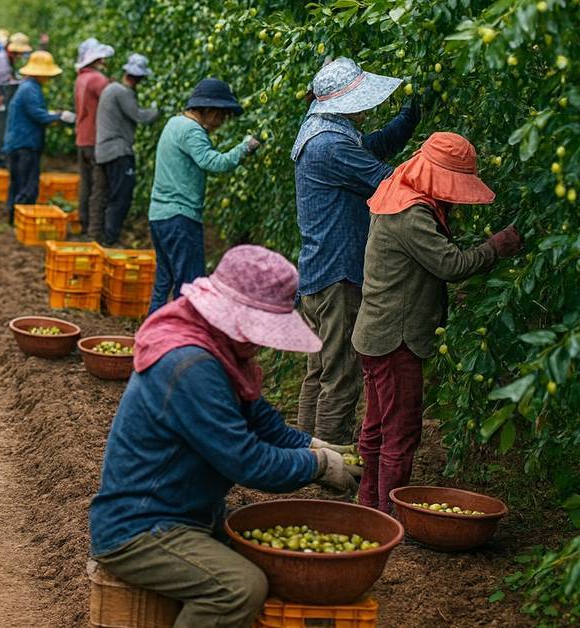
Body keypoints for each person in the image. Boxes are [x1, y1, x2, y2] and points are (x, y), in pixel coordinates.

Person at [89, 245, 359, 628]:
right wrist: (316, 466)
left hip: (188, 514)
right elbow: (247, 460)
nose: (263, 342)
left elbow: (263, 423)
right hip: (141, 528)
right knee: (239, 588)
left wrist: (312, 445)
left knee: (274, 564)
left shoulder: (219, 354)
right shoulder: (190, 365)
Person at [352, 132, 522, 513]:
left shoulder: (397, 190)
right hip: (396, 339)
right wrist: (496, 246)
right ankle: (390, 516)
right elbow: (450, 265)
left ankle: (370, 504)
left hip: (376, 331)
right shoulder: (411, 214)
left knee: (378, 426)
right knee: (400, 431)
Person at [291, 57, 421, 446]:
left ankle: (305, 451)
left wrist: (408, 117)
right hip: (338, 275)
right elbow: (385, 180)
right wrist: (432, 169)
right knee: (341, 374)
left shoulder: (320, 130)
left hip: (317, 271)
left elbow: (371, 149)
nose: (365, 108)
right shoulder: (331, 145)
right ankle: (330, 463)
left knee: (319, 370)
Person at [147, 79, 260, 313]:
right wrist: (246, 147)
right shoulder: (191, 130)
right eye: (221, 115)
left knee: (164, 281)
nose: (222, 123)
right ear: (208, 110)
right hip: (180, 218)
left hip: (159, 216)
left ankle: (151, 337)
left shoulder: (174, 123)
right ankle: (183, 340)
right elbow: (214, 162)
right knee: (190, 286)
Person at [93, 54, 159, 247]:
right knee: (121, 197)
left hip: (103, 150)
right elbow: (140, 116)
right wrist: (157, 110)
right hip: (118, 152)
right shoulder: (123, 92)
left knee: (108, 195)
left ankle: (103, 236)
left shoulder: (110, 88)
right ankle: (111, 239)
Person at [2, 51, 75, 223]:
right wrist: (60, 117)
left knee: (18, 183)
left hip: (20, 142)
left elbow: (35, 112)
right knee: (26, 186)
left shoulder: (29, 87)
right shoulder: (30, 89)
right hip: (25, 144)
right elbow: (38, 115)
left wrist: (53, 114)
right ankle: (21, 220)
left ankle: (14, 218)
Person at [73, 38, 114, 234]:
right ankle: (95, 230)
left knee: (86, 183)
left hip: (82, 137)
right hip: (96, 138)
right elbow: (113, 99)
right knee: (100, 186)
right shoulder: (97, 79)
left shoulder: (81, 78)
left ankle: (83, 221)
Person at [0, 32, 32, 167]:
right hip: (3, 96)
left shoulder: (8, 58)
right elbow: (3, 82)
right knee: (2, 127)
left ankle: (1, 156)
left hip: (6, 95)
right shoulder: (2, 61)